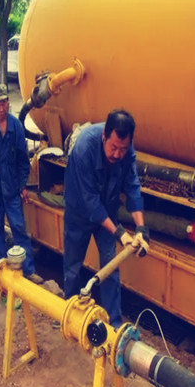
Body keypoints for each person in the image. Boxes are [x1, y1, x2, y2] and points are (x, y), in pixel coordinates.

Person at [63, 109, 149, 328]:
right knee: (73, 266)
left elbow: (132, 185)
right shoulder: (84, 148)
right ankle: (68, 313)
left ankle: (115, 324)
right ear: (104, 137)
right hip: (79, 213)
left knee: (111, 267)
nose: (118, 154)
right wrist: (120, 233)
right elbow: (90, 202)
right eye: (113, 147)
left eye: (123, 149)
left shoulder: (126, 150)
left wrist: (141, 229)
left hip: (107, 214)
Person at [0, 84, 43, 284]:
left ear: (8, 102)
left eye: (4, 103)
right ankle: (1, 270)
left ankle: (28, 270)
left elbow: (24, 161)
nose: (1, 108)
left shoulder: (16, 127)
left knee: (18, 228)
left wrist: (23, 186)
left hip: (12, 189)